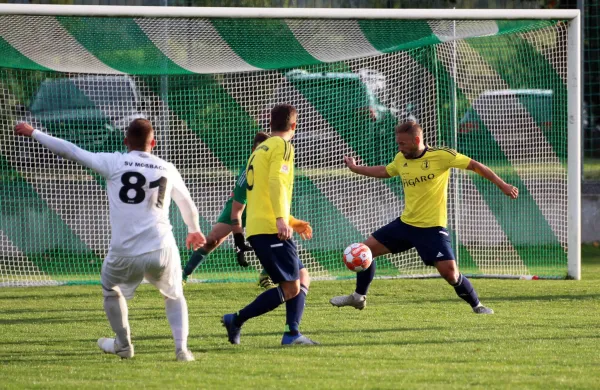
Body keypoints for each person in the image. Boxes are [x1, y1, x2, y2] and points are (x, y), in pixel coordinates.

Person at [14, 119, 206, 361]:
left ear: (126, 141)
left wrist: (35, 133)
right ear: (153, 143)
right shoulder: (167, 168)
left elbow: (71, 151)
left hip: (124, 251)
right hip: (162, 247)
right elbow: (187, 203)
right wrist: (194, 229)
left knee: (110, 289)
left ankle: (124, 345)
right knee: (174, 295)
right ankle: (181, 350)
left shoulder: (114, 162)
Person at [330, 121, 519, 314]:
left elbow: (475, 165)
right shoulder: (400, 159)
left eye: (402, 143)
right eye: (398, 143)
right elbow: (384, 171)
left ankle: (477, 306)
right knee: (365, 251)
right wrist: (356, 168)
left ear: (417, 140)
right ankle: (358, 297)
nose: (399, 147)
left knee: (451, 274)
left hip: (432, 229)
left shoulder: (442, 156)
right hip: (406, 224)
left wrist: (502, 184)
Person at [221, 104, 317, 345]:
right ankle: (238, 319)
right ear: (294, 125)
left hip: (261, 226)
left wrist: (292, 221)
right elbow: (275, 181)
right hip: (269, 228)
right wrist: (281, 220)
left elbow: (261, 194)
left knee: (302, 276)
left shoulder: (259, 149)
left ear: (271, 124)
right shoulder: (283, 146)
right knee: (291, 288)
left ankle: (291, 332)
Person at [182, 132, 277, 289]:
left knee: (279, 238)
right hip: (241, 206)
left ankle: (266, 276)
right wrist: (239, 241)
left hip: (263, 208)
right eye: (260, 149)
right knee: (213, 239)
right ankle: (183, 274)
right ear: (253, 149)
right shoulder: (247, 172)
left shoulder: (275, 167)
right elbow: (237, 211)